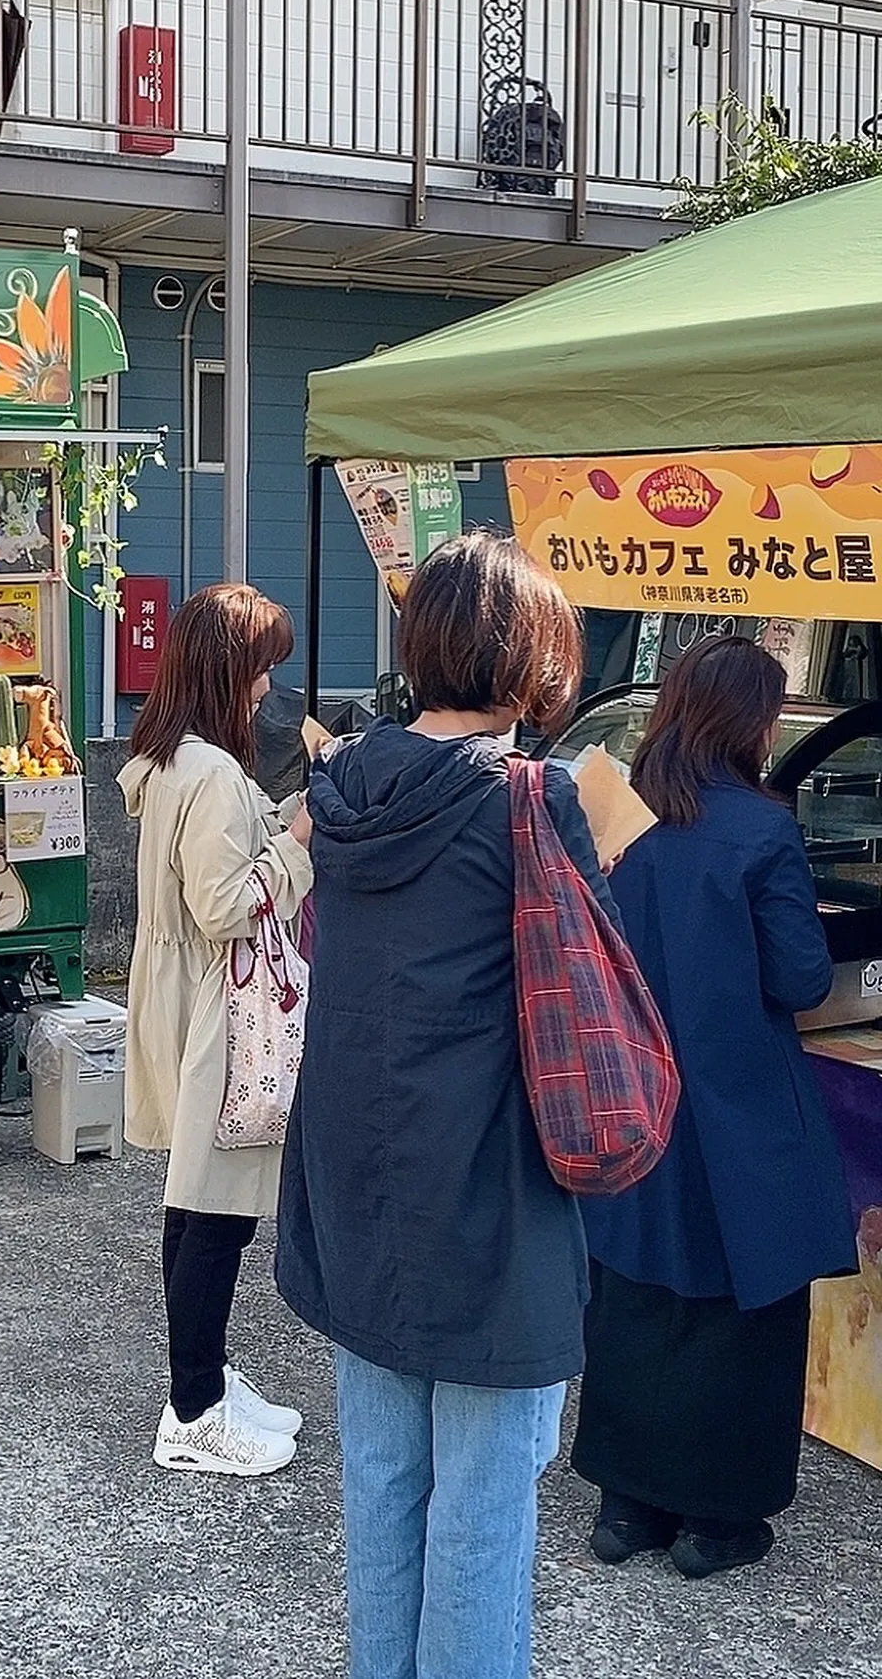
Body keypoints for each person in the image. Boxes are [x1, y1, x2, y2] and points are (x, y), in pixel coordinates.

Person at [277, 532, 611, 1679]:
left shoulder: (345, 789)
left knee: (381, 1483)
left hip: (358, 1177)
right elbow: (593, 993)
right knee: (483, 1503)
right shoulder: (527, 802)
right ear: (532, 658)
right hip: (490, 1194)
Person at [572, 636, 855, 1580]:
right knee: (740, 1308)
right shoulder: (762, 831)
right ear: (752, 723)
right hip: (738, 1112)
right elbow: (804, 977)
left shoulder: (618, 814)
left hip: (632, 1099)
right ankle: (718, 1523)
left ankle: (626, 1507)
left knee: (637, 1292)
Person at [119, 583, 314, 1477]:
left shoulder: (169, 756)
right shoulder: (213, 772)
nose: (269, 687)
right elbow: (229, 903)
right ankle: (193, 1409)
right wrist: (298, 838)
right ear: (230, 669)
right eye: (263, 665)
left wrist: (263, 827)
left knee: (192, 1197)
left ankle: (204, 1381)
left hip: (177, 989)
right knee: (216, 1211)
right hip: (217, 1005)